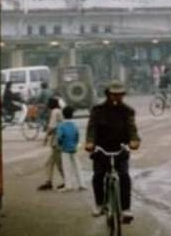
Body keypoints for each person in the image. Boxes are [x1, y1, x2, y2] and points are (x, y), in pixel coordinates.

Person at [85, 81, 141, 223]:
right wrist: (90, 142)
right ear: (108, 94)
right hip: (101, 150)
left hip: (120, 149)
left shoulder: (127, 111)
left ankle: (125, 209)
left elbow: (132, 128)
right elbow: (91, 128)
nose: (117, 97)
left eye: (120, 94)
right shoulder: (98, 110)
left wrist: (134, 141)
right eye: (114, 94)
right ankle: (99, 204)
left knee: (124, 176)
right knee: (98, 176)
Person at [55, 106, 86, 192]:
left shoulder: (61, 126)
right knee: (77, 166)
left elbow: (59, 137)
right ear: (72, 115)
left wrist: (59, 145)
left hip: (65, 149)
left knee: (66, 168)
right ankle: (82, 184)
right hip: (74, 148)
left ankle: (69, 185)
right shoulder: (74, 125)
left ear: (63, 115)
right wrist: (75, 144)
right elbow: (77, 136)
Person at [37, 97, 66, 191]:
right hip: (59, 140)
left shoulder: (54, 112)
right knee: (50, 163)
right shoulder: (59, 111)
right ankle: (48, 181)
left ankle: (66, 181)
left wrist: (46, 137)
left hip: (57, 141)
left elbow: (52, 127)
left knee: (58, 163)